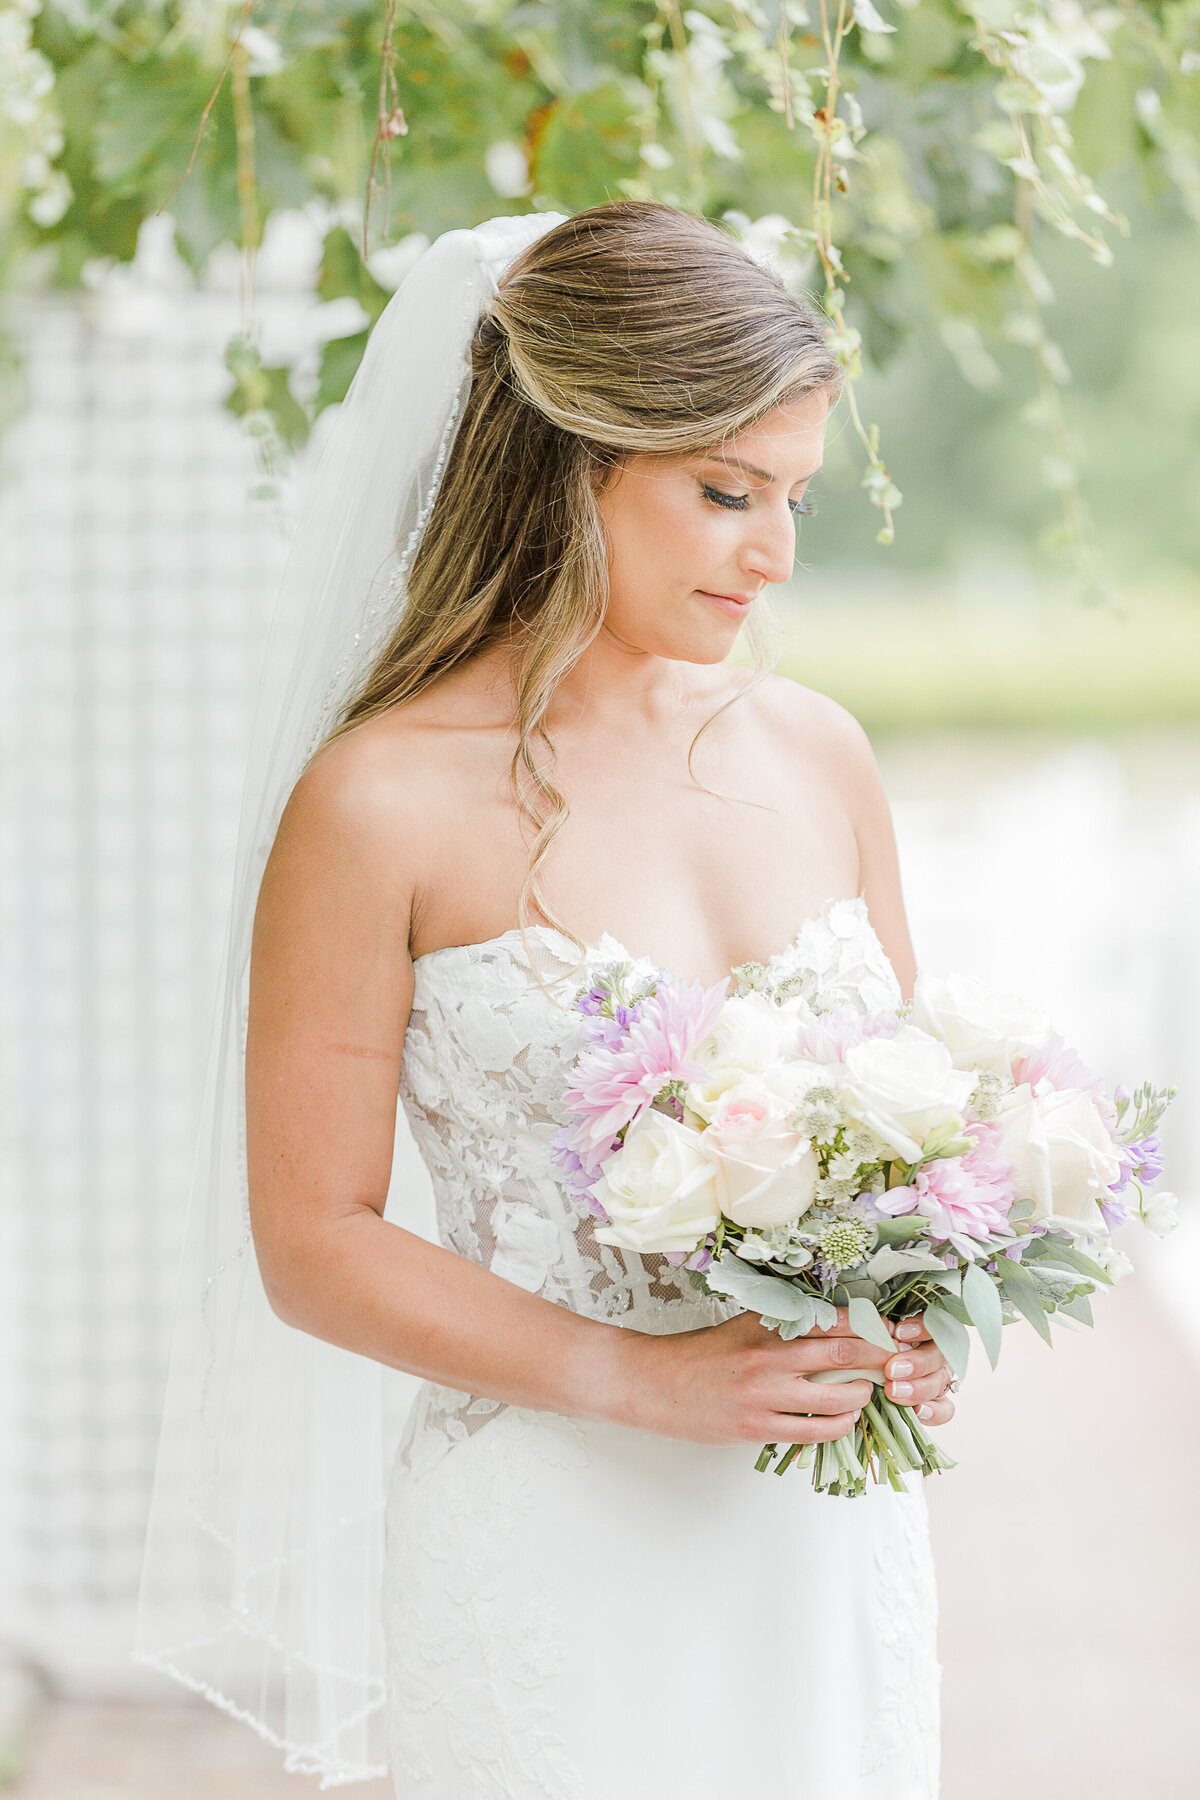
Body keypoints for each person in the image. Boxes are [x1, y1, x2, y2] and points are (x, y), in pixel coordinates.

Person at [243, 202, 953, 1798]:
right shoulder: (380, 803)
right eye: (726, 494)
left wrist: (912, 1319)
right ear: (569, 460)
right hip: (552, 1538)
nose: (773, 552)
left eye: (794, 498)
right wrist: (637, 1377)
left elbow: (906, 1154)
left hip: (820, 1530)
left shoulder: (820, 753)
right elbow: (314, 1237)